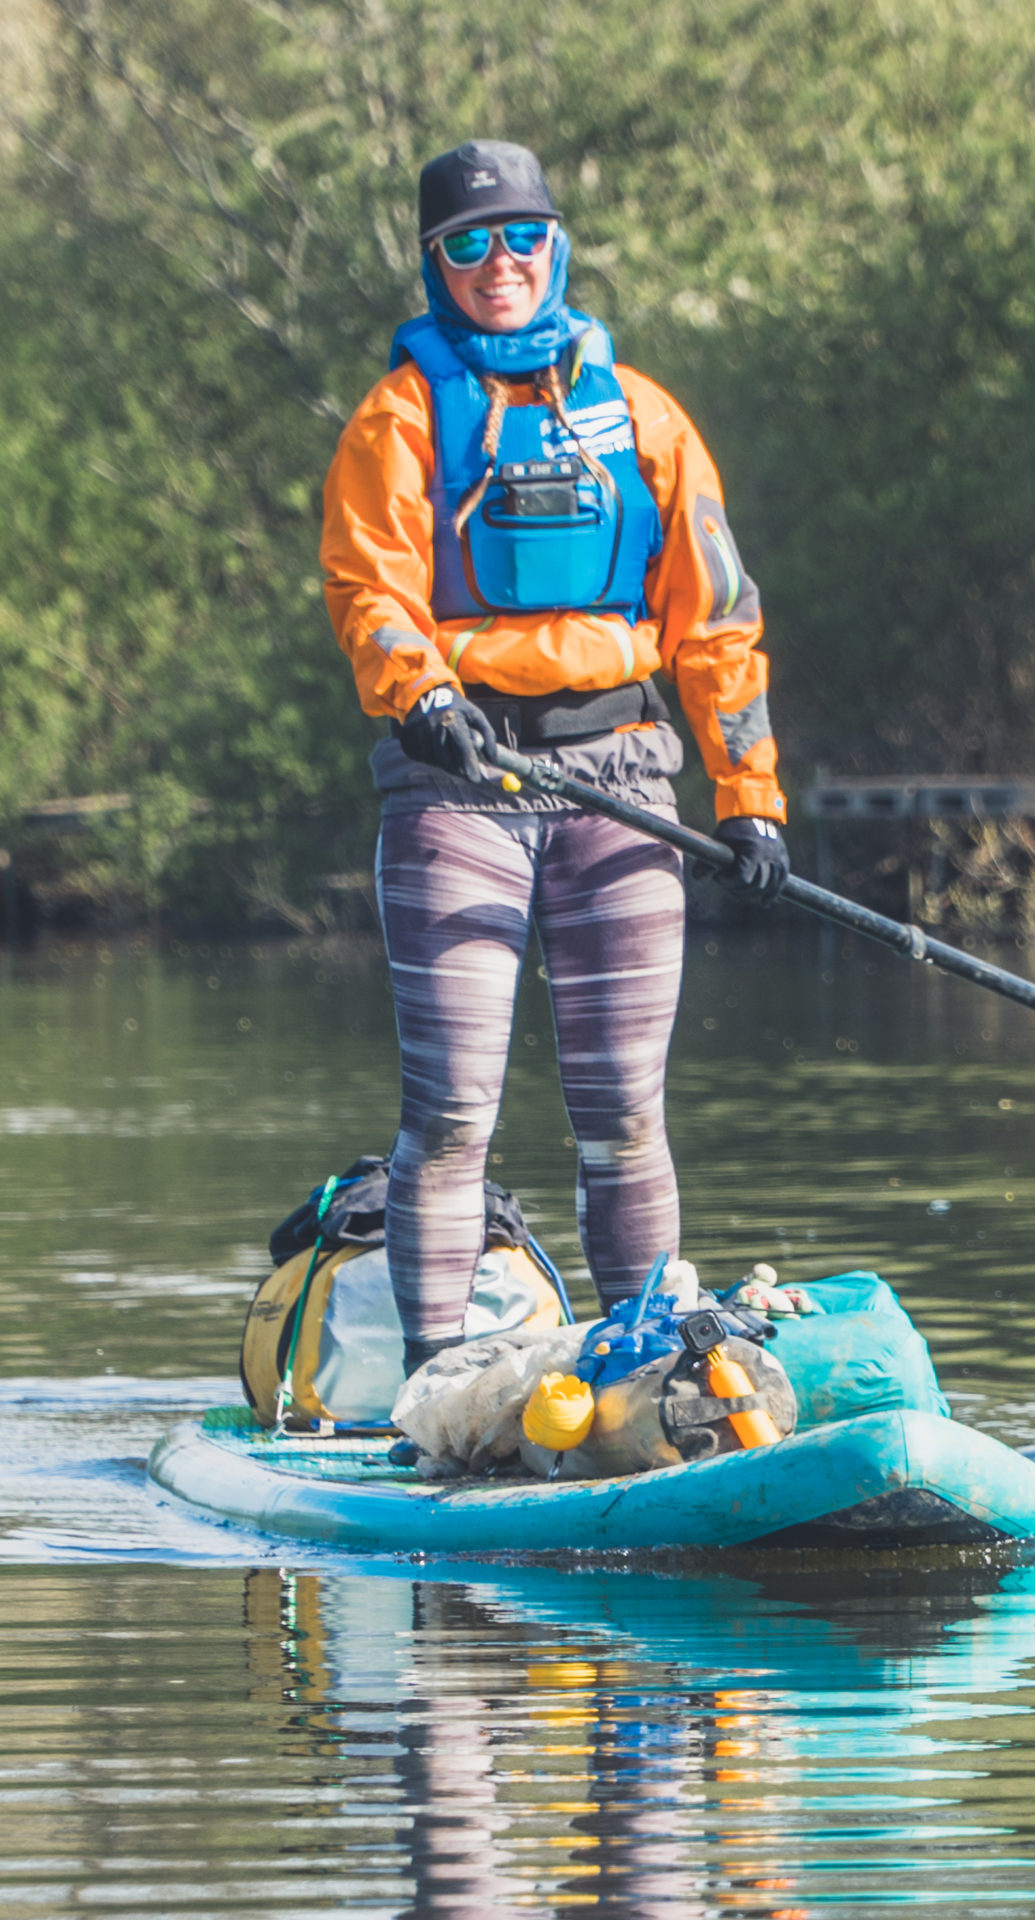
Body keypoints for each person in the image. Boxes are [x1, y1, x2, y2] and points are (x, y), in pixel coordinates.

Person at [321, 140, 789, 1374]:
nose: (500, 263)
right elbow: (369, 590)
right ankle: (435, 1389)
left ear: (557, 246)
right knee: (453, 1115)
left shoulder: (645, 416)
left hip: (621, 788)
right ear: (435, 264)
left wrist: (748, 798)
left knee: (626, 1115)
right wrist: (421, 694)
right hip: (455, 785)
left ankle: (648, 1371)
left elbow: (718, 620)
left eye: (522, 236)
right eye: (468, 244)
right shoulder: (398, 419)